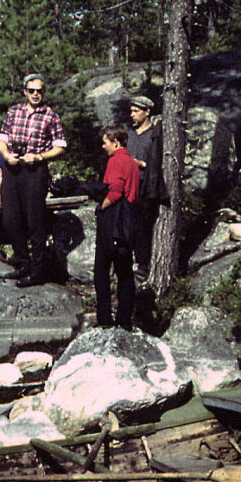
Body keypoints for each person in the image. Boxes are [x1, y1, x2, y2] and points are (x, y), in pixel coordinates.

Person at [0, 73, 67, 287]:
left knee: (35, 221)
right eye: (32, 90)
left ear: (44, 92)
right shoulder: (13, 112)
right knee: (10, 219)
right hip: (12, 168)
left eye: (40, 91)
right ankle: (23, 264)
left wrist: (39, 157)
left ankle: (38, 271)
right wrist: (6, 155)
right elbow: (2, 139)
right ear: (25, 91)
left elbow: (60, 146)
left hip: (35, 171)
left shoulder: (50, 116)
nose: (36, 94)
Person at [94, 125, 140, 329]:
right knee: (125, 273)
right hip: (129, 223)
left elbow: (114, 192)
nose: (103, 146)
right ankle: (124, 320)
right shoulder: (132, 162)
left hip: (113, 221)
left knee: (101, 271)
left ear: (116, 142)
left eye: (106, 142)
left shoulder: (115, 161)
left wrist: (100, 207)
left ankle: (105, 320)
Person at [127, 95, 164, 280]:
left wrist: (140, 164)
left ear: (147, 112)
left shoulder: (155, 135)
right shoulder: (130, 134)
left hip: (146, 185)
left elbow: (159, 164)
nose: (132, 115)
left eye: (136, 111)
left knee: (142, 226)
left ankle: (144, 265)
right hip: (128, 185)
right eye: (131, 111)